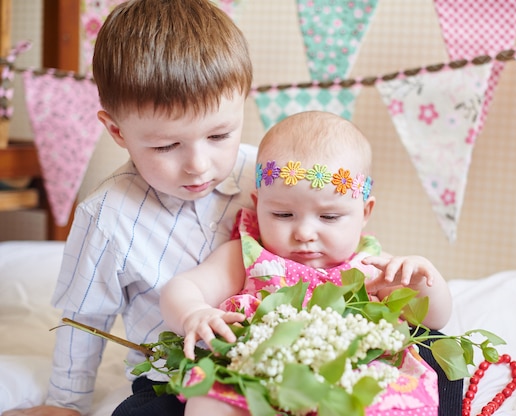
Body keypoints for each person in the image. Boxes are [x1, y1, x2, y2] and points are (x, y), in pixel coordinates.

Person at [1, 1, 256, 416]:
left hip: (266, 366)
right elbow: (85, 320)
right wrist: (65, 403)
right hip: (167, 381)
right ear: (117, 130)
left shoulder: (265, 176)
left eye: (219, 135)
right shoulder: (106, 216)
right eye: (166, 145)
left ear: (242, 101)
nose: (198, 164)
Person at [160, 110, 458, 416]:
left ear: (364, 212)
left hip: (348, 382)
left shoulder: (372, 267)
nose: (304, 233)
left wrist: (422, 280)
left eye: (328, 217)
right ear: (258, 204)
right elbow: (184, 286)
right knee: (207, 400)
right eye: (283, 214)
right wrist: (193, 313)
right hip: (257, 373)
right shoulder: (247, 256)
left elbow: (436, 319)